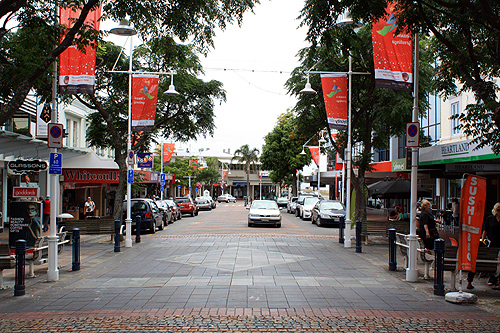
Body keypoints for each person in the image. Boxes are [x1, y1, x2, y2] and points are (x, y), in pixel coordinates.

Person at [481, 203, 500, 289]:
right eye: (498, 210)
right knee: (492, 260)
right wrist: (483, 239)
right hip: (493, 242)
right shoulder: (490, 219)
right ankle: (492, 279)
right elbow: (486, 230)